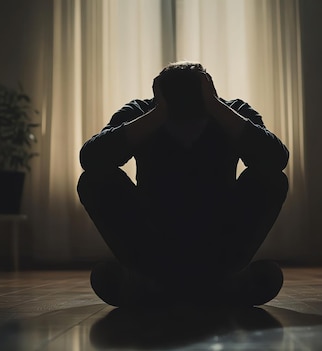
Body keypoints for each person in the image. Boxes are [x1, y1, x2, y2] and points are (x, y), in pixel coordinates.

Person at [77, 61, 289, 308]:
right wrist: (157, 114)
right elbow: (91, 159)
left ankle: (194, 284)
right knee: (94, 180)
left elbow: (276, 159)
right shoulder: (142, 112)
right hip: (154, 243)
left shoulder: (232, 112)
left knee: (271, 178)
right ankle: (173, 283)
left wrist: (215, 107)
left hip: (218, 242)